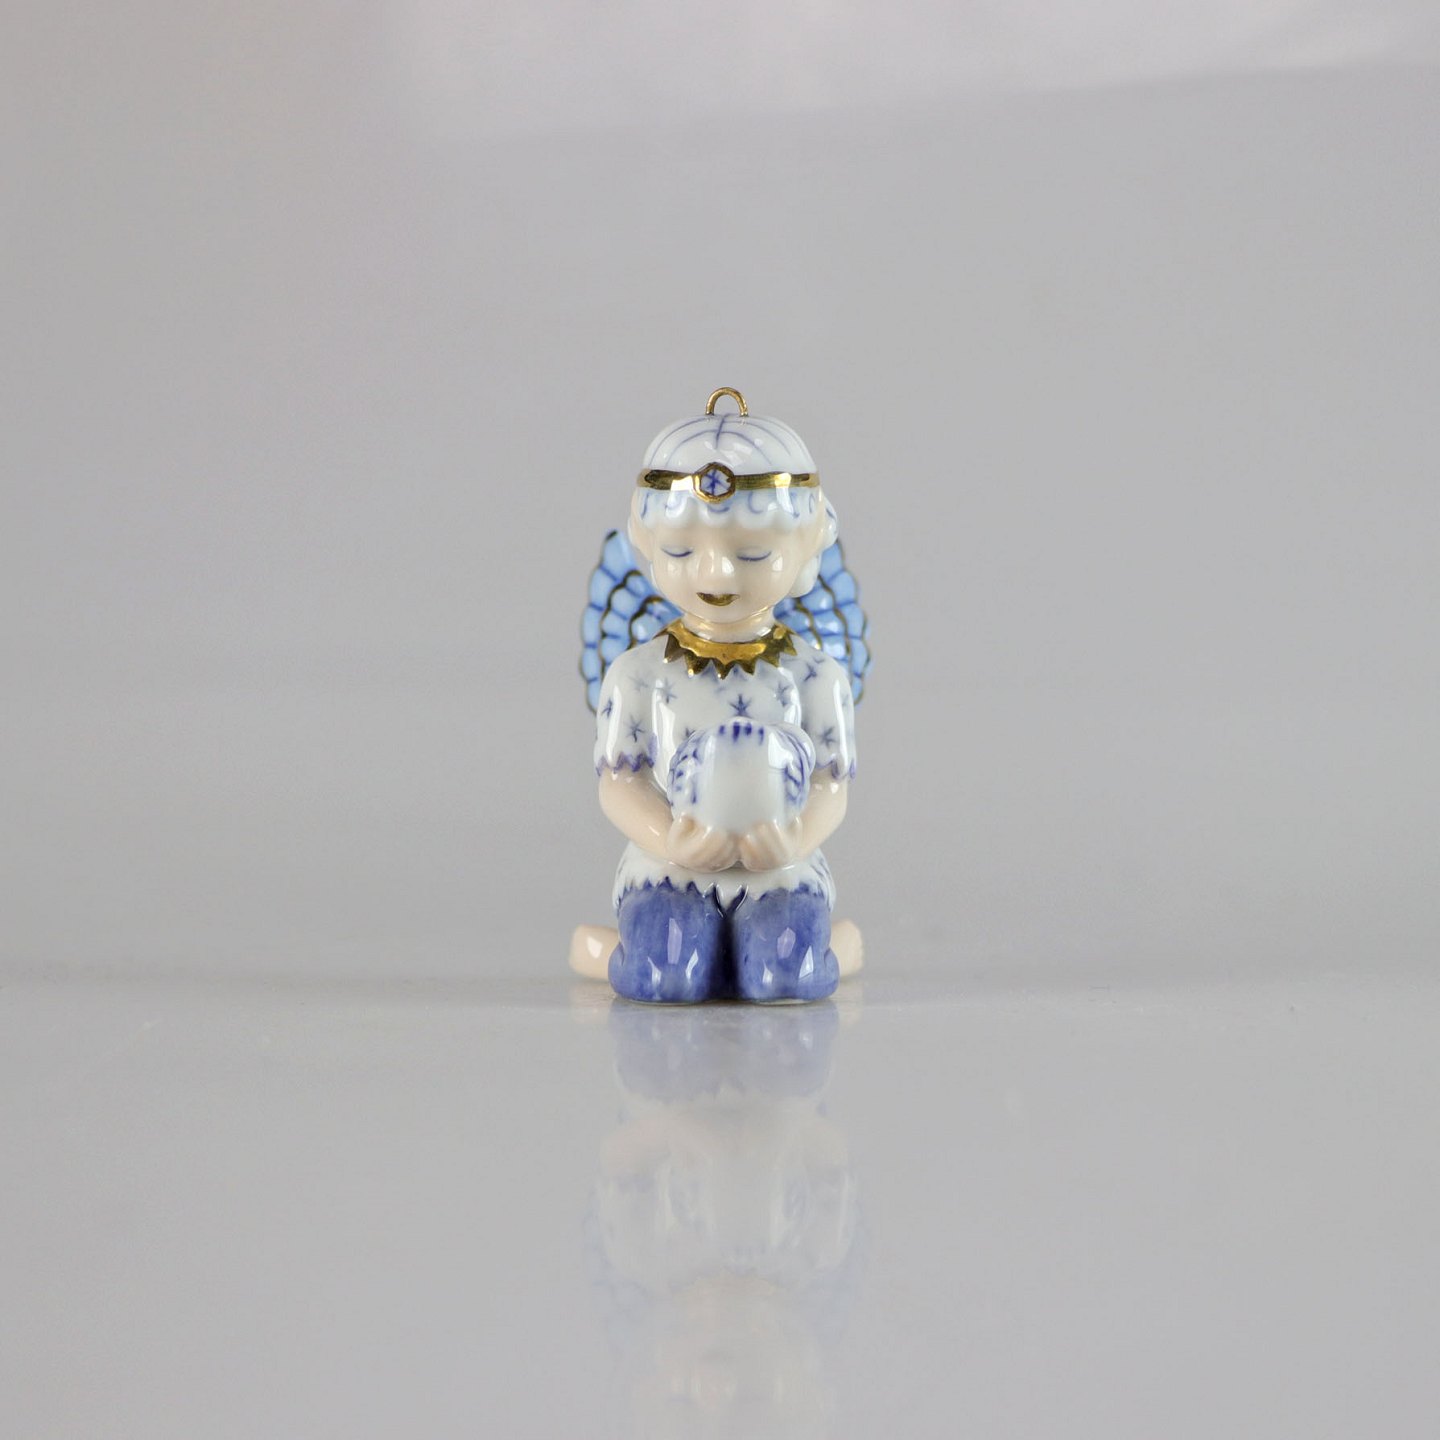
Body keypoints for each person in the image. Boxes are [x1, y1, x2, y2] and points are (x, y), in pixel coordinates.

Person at [582, 387, 869, 1003]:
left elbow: (832, 786)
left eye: (753, 553)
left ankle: (828, 945)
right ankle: (611, 949)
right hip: (670, 871)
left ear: (807, 547)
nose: (715, 574)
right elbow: (619, 783)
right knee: (665, 980)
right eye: (681, 551)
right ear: (646, 547)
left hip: (780, 875)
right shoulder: (637, 674)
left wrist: (795, 842)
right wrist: (670, 840)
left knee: (785, 979)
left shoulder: (816, 677)